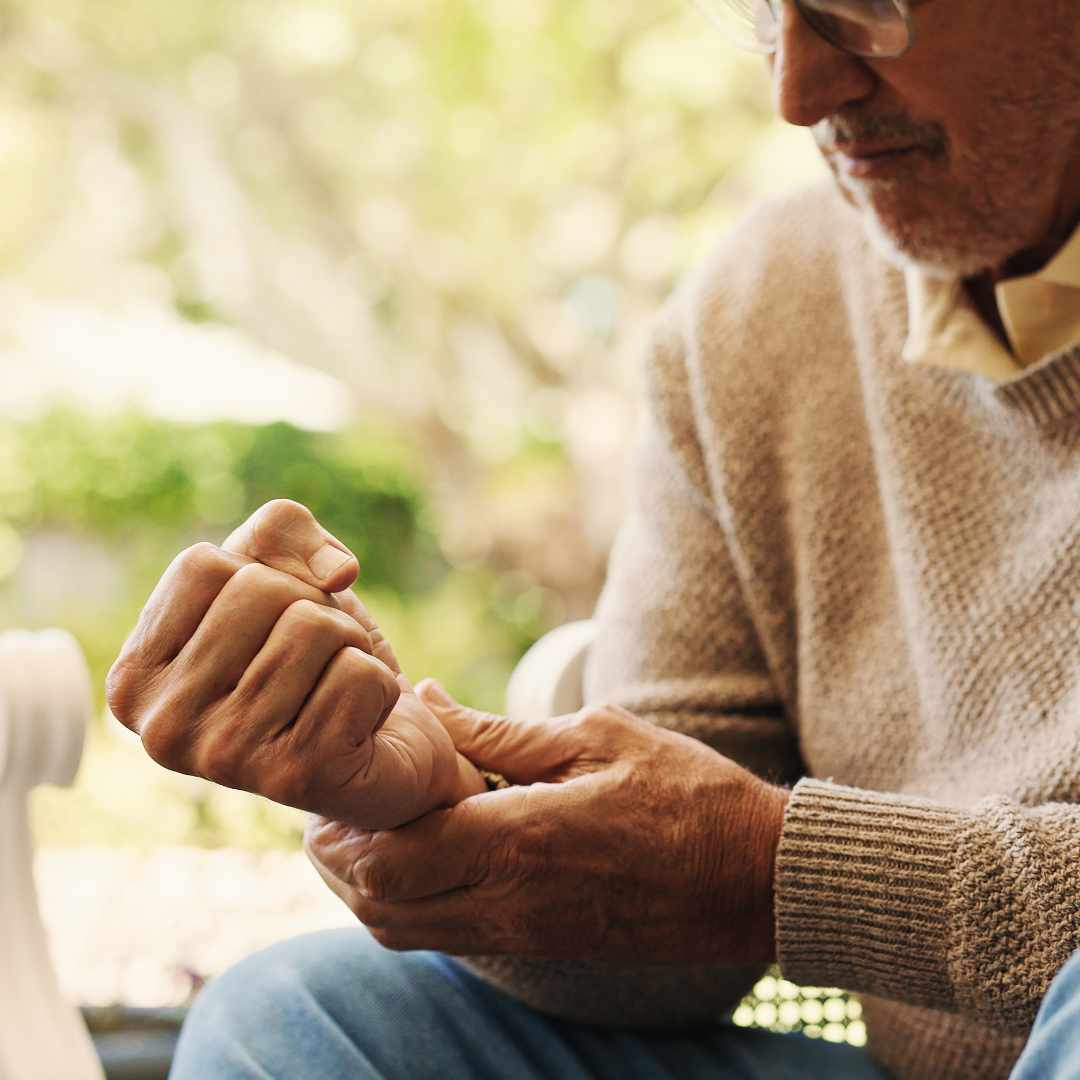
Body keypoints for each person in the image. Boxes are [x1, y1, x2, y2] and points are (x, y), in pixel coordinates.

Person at [105, 0, 1080, 1077]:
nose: (797, 94)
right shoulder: (761, 309)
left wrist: (787, 874)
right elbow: (667, 944)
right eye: (763, 12)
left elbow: (751, 875)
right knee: (297, 1016)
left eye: (861, 8)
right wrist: (434, 806)